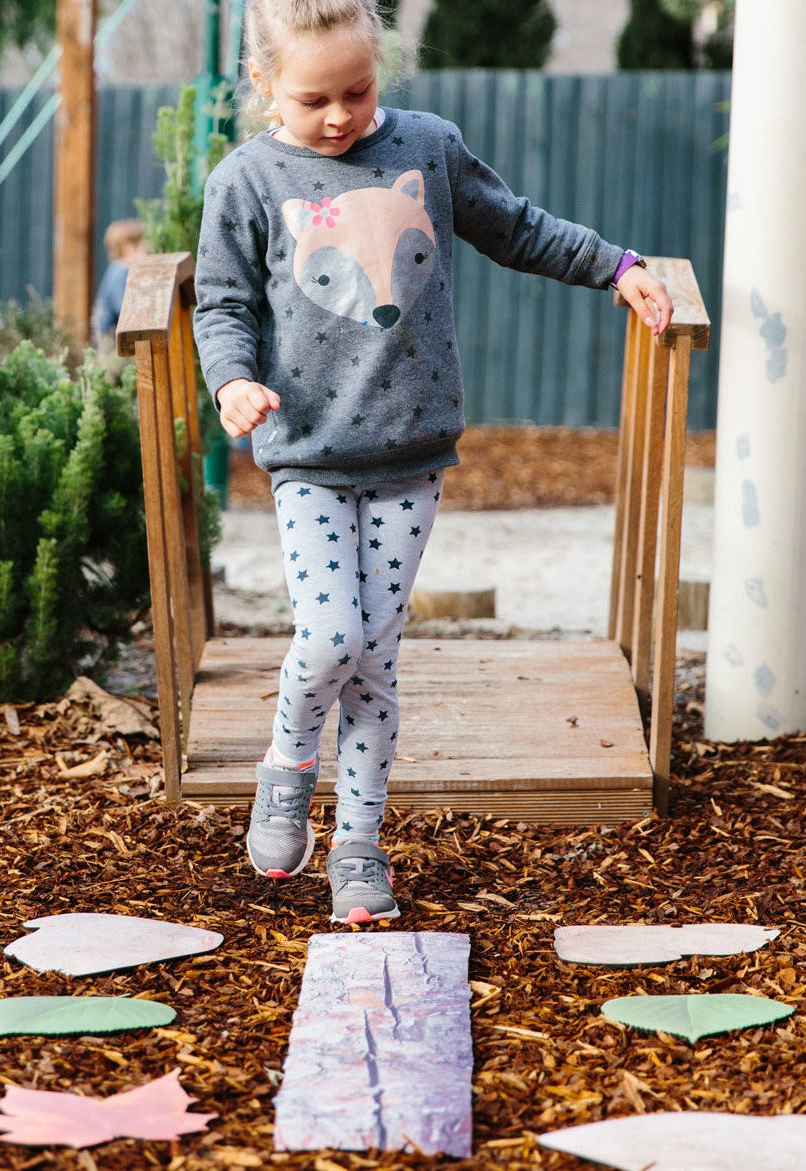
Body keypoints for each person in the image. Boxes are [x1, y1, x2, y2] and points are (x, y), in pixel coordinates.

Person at [192, 0, 673, 926]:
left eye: (357, 92)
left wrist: (616, 265)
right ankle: (287, 761)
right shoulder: (244, 181)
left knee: (375, 658)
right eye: (313, 99)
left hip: (413, 454)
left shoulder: (428, 147)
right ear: (261, 86)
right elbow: (220, 303)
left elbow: (516, 228)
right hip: (307, 456)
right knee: (331, 638)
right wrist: (230, 384)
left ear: (383, 75)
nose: (338, 116)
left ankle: (359, 851)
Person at [92, 218, 146, 344]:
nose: (147, 251)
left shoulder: (116, 270)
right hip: (109, 343)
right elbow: (123, 309)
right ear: (129, 248)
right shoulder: (120, 272)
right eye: (143, 246)